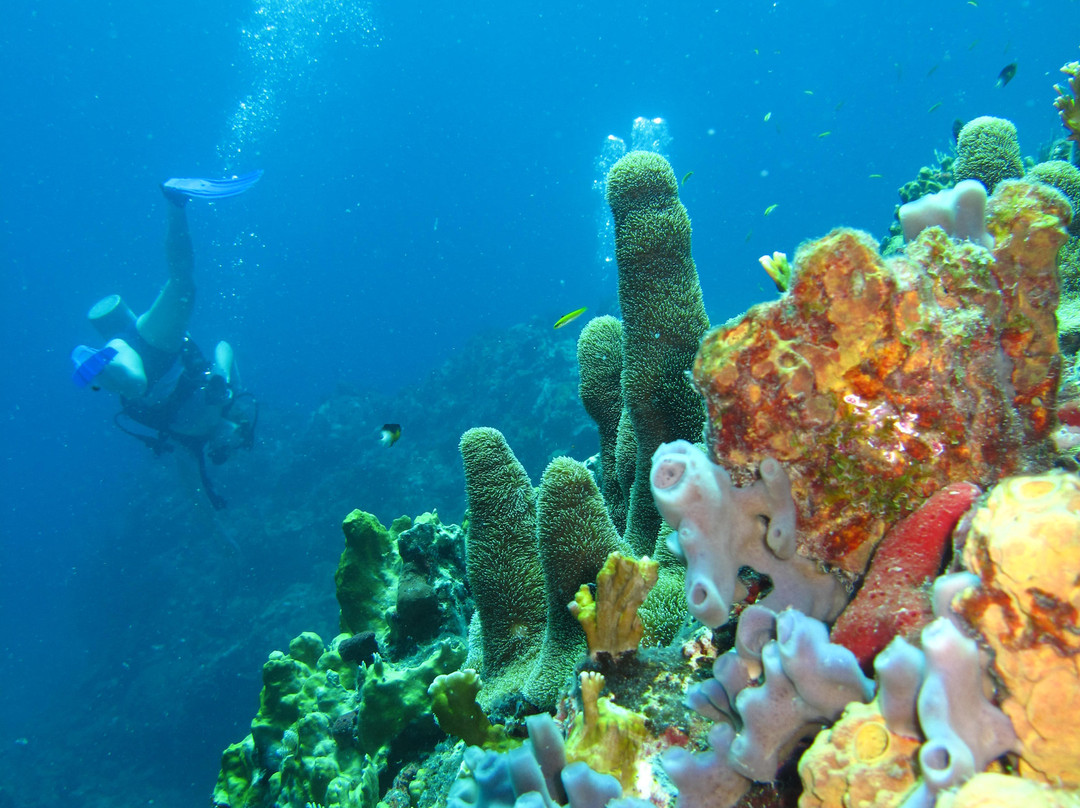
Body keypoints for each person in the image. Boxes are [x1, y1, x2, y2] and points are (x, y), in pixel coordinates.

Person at [71, 171, 264, 509]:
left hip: (132, 367)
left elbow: (192, 489)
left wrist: (214, 527)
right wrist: (221, 375)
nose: (224, 448)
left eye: (220, 454)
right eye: (235, 444)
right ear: (241, 428)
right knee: (184, 286)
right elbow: (224, 347)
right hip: (163, 349)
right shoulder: (230, 398)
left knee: (134, 383)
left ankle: (92, 359)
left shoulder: (190, 446)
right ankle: (176, 201)